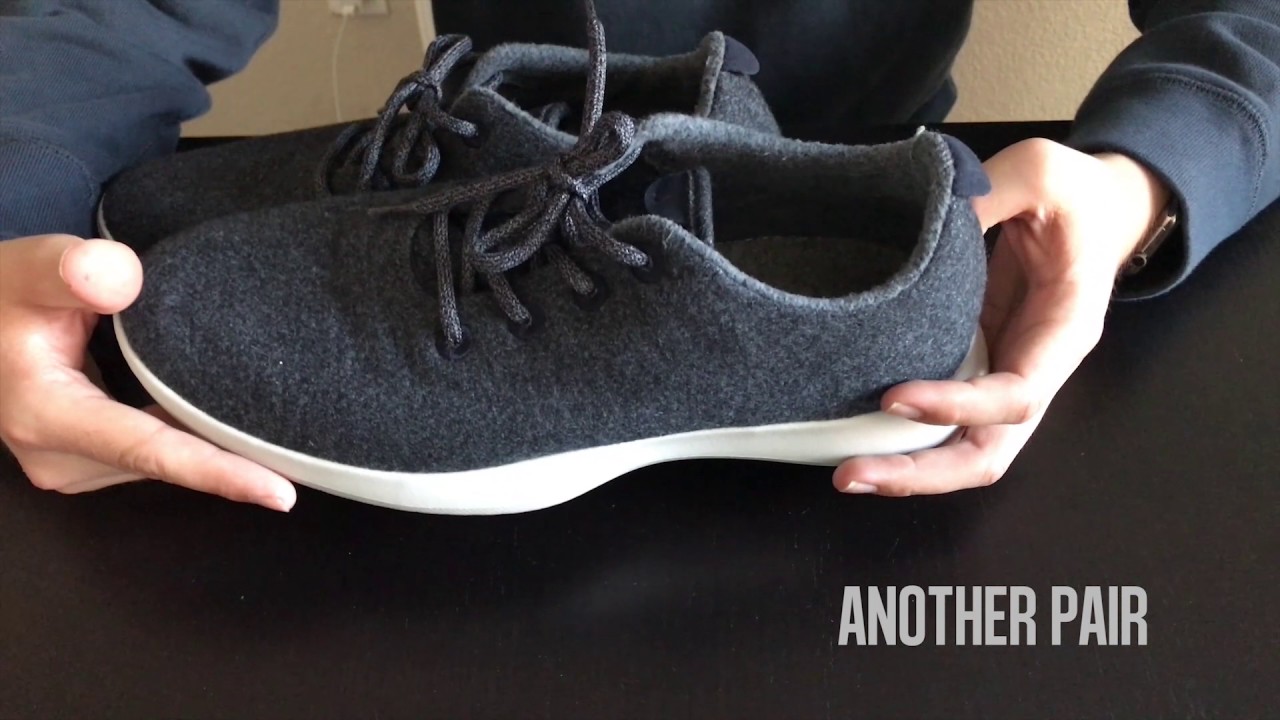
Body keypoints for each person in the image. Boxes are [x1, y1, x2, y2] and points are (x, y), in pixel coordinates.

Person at [1, 0, 1276, 511]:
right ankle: (524, 184)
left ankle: (792, 300)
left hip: (797, 182)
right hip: (516, 165)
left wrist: (1145, 174)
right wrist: (20, 198)